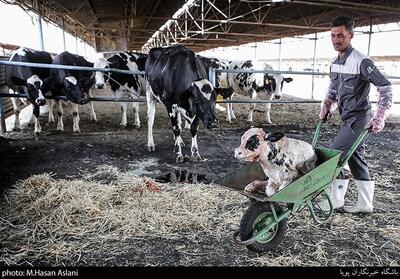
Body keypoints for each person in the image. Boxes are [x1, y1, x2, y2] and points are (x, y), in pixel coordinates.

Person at [318, 16, 393, 213]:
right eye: (333, 36)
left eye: (340, 35)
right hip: (346, 119)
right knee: (356, 159)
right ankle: (365, 204)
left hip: (360, 119)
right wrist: (327, 106)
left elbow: (385, 87)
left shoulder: (362, 61)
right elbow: (333, 90)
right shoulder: (335, 63)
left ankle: (335, 199)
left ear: (350, 35)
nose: (336, 40)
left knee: (333, 156)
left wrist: (380, 116)